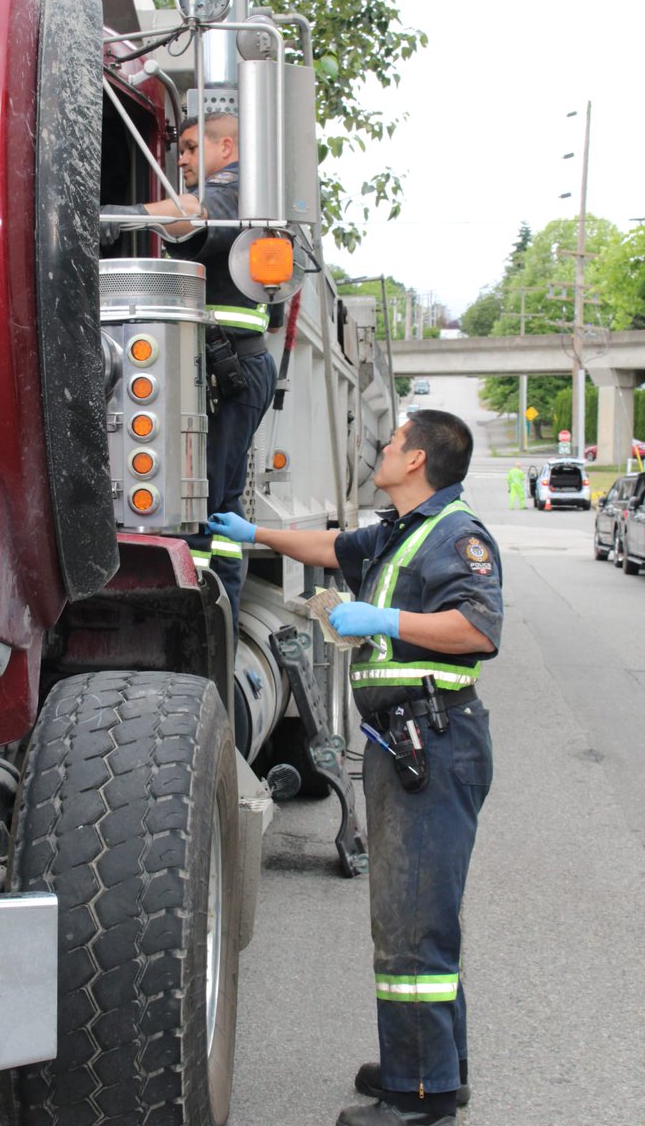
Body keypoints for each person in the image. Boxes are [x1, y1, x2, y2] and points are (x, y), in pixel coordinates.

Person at [207, 409, 503, 1126]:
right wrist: (254, 534)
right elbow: (332, 545)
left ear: (418, 460)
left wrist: (384, 623)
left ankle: (419, 1098)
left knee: (410, 920)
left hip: (434, 741)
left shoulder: (455, 536)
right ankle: (438, 1069)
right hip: (408, 740)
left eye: (394, 440)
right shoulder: (403, 528)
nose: (382, 445)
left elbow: (478, 628)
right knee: (422, 913)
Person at [100, 112, 278, 635]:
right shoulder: (245, 187)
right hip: (229, 367)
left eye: (193, 148)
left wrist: (116, 215)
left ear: (228, 147)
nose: (181, 159)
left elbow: (192, 214)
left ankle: (201, 624)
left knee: (201, 508)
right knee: (211, 506)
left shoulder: (238, 183)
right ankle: (210, 615)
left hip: (229, 369)